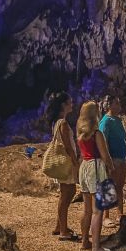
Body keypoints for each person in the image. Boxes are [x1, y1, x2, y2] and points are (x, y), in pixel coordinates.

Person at [76, 101, 115, 251]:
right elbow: (105, 156)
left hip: (84, 167)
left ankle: (85, 241)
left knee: (86, 210)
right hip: (96, 168)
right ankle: (96, 248)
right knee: (97, 211)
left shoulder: (80, 134)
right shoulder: (97, 134)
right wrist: (111, 168)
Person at [45, 92, 80, 241]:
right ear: (63, 105)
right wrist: (75, 162)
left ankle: (59, 226)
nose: (72, 104)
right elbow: (68, 146)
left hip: (62, 163)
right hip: (66, 163)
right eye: (70, 102)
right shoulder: (63, 123)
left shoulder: (57, 122)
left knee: (64, 194)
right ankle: (63, 231)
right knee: (67, 194)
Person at [99, 95, 126, 225]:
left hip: (121, 157)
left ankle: (120, 214)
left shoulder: (117, 120)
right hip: (112, 158)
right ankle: (106, 216)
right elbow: (102, 141)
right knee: (108, 185)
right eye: (117, 103)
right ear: (109, 105)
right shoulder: (106, 121)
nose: (119, 105)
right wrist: (107, 160)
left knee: (120, 186)